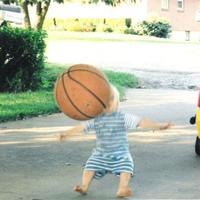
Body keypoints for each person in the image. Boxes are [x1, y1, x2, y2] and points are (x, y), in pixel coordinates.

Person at [59, 85, 171, 198]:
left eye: (111, 99)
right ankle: (84, 186)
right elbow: (81, 127)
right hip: (100, 155)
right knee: (90, 167)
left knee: (126, 167)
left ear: (117, 102)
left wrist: (158, 126)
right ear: (97, 102)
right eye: (104, 100)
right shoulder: (96, 119)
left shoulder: (123, 117)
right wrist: (67, 133)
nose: (107, 102)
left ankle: (122, 188)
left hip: (120, 155)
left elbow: (141, 122)